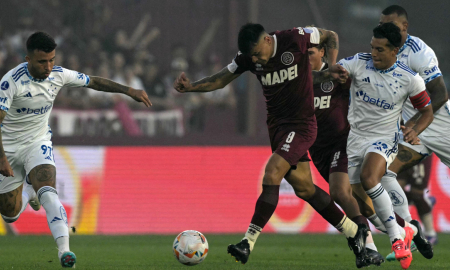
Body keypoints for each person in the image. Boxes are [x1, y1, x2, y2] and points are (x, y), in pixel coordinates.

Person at [175, 23, 372, 268]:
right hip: (277, 128)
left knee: (272, 173)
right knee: (305, 189)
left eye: (258, 52)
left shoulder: (296, 38)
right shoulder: (248, 58)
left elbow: (331, 35)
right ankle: (356, 231)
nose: (256, 59)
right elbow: (222, 78)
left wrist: (331, 66)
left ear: (267, 40)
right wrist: (192, 86)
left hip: (301, 125)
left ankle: (247, 242)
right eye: (252, 56)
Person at [0, 32, 151, 268]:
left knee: (49, 192)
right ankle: (28, 194)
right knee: (9, 215)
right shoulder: (11, 82)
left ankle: (65, 252)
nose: (48, 66)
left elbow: (93, 81)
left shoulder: (59, 74)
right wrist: (1, 157)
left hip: (38, 142)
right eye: (42, 61)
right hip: (9, 148)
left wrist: (129, 91)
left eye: (52, 60)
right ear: (28, 59)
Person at [351, 5, 447, 261]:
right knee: (382, 174)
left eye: (391, 25)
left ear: (405, 27)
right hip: (410, 131)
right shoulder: (381, 51)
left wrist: (415, 125)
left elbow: (439, 94)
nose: (385, 28)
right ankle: (408, 231)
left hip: (438, 124)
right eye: (382, 23)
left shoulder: (419, 52)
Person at [337, 22, 434, 269]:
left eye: (380, 49)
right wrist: (329, 73)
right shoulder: (359, 62)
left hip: (384, 139)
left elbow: (427, 111)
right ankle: (410, 230)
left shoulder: (410, 79)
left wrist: (415, 130)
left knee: (371, 177)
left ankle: (396, 240)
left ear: (394, 51)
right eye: (372, 47)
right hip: (356, 138)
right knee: (367, 205)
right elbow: (335, 71)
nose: (374, 53)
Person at [307, 44, 384, 265]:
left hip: (342, 142)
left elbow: (364, 90)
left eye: (311, 53)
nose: (306, 58)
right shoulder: (302, 82)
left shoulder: (339, 75)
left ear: (322, 52)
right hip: (318, 149)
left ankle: (368, 246)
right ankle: (403, 230)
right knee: (359, 202)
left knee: (339, 192)